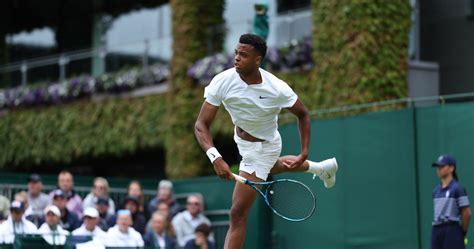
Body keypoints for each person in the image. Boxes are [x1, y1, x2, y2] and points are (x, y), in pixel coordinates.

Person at [194, 33, 339, 249]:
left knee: (237, 213)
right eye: (236, 53)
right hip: (242, 141)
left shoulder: (276, 88)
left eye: (243, 55)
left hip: (264, 147)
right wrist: (215, 157)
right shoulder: (222, 80)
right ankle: (322, 168)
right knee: (273, 168)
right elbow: (201, 125)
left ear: (257, 60)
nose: (236, 58)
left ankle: (318, 167)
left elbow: (303, 114)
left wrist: (304, 151)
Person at [431, 154, 471, 249]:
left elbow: (467, 213)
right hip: (436, 230)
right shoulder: (435, 191)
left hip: (451, 230)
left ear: (451, 168)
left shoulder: (458, 189)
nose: (438, 169)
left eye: (442, 166)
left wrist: (462, 232)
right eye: (437, 167)